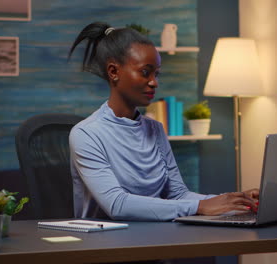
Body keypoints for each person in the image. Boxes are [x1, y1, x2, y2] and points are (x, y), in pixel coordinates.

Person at [68, 22, 259, 221]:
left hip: (155, 239)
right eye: (145, 72)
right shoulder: (86, 134)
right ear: (114, 72)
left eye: (156, 73)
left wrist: (236, 202)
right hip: (106, 246)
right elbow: (117, 204)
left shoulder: (155, 130)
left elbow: (178, 195)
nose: (154, 82)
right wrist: (200, 206)